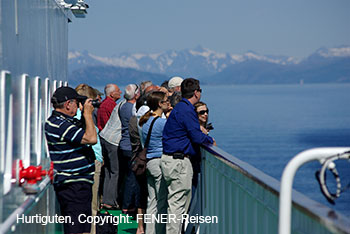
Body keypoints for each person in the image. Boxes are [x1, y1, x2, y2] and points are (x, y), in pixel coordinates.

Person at [161, 78, 215, 234]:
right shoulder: (186, 110)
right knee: (177, 206)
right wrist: (210, 140)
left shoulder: (179, 108)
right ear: (197, 93)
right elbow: (197, 136)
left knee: (176, 205)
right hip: (178, 161)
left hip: (171, 159)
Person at [45, 86, 97, 234]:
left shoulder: (63, 122)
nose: (77, 106)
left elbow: (80, 134)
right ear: (68, 104)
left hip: (77, 184)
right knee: (77, 229)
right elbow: (91, 138)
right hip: (74, 185)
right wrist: (87, 114)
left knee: (82, 228)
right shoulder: (60, 124)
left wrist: (82, 117)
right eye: (76, 102)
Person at [139, 91, 169, 234]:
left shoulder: (146, 122)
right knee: (161, 201)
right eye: (166, 100)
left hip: (149, 162)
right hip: (158, 162)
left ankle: (149, 231)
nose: (168, 102)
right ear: (160, 104)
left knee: (152, 201)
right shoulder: (163, 123)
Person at [75, 84, 103, 234]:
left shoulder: (77, 116)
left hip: (91, 159)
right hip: (91, 161)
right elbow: (92, 139)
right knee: (92, 204)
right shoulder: (82, 117)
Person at [98, 83, 122, 210]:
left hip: (104, 138)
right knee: (114, 171)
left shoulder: (103, 104)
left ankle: (106, 198)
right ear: (112, 94)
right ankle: (110, 200)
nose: (121, 93)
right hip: (112, 141)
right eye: (118, 91)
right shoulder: (111, 105)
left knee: (108, 170)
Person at [119, 84, 141, 213]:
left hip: (124, 144)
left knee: (128, 176)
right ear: (136, 94)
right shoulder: (131, 108)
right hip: (130, 146)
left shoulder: (123, 106)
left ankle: (126, 203)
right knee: (132, 177)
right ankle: (127, 205)